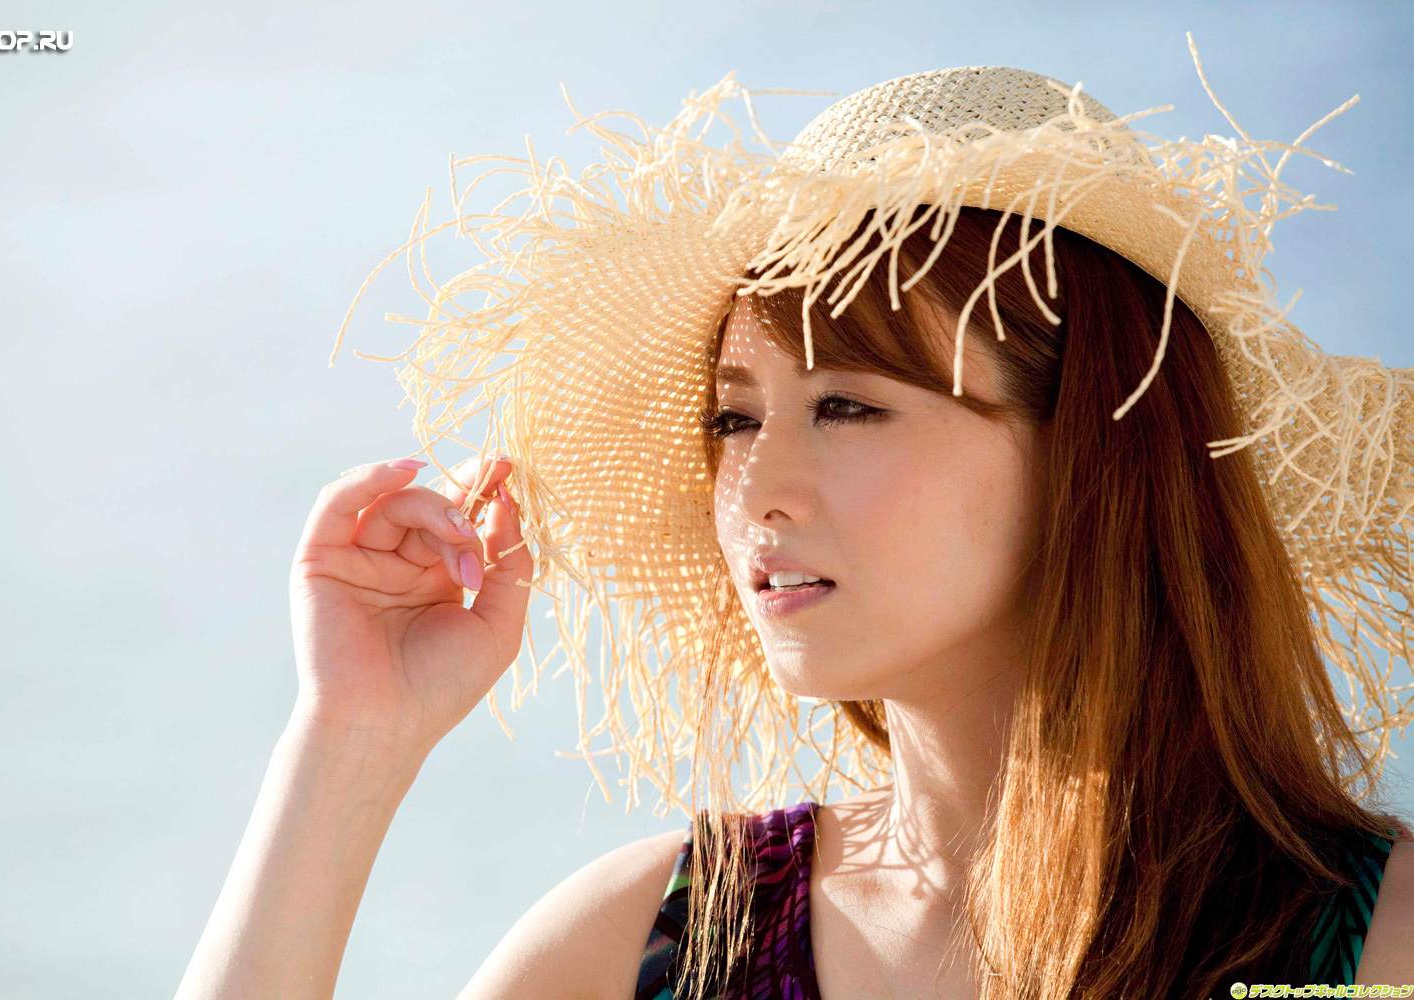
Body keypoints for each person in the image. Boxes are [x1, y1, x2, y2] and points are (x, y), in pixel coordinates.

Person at [174, 50, 1414, 1000]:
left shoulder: (1361, 950)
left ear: (1094, 447)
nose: (756, 489)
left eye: (848, 405)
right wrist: (351, 739)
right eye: (732, 419)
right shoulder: (660, 942)